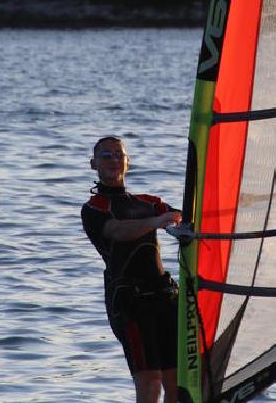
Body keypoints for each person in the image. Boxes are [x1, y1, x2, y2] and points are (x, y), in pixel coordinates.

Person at [81, 136, 182, 403]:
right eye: (106, 155)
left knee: (177, 383)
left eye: (118, 154)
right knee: (151, 383)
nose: (113, 159)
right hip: (130, 303)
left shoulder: (150, 202)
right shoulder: (93, 209)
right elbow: (118, 231)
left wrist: (179, 222)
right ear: (94, 164)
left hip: (165, 297)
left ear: (127, 162)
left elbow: (182, 218)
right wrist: (158, 220)